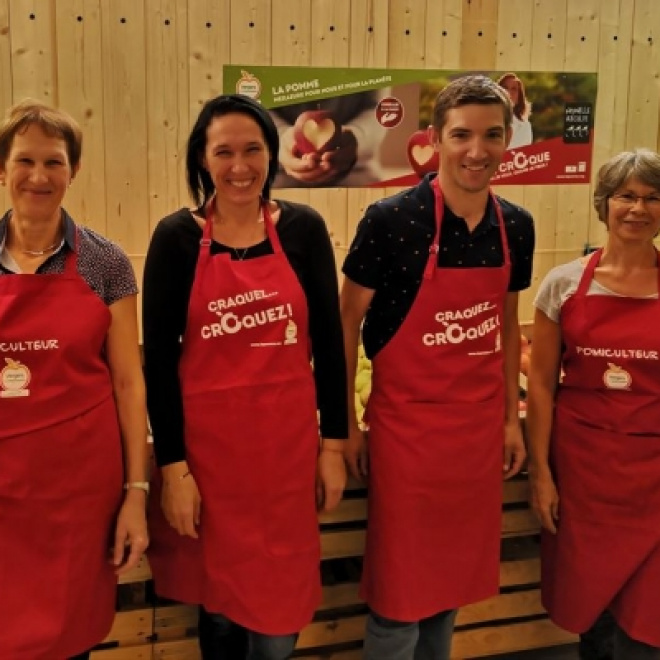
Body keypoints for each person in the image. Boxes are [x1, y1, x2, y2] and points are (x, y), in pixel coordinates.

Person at [142, 93, 348, 660]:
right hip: (209, 465)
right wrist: (174, 469)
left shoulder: (303, 229)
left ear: (272, 153)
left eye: (253, 149)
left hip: (286, 460)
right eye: (224, 151)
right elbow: (157, 361)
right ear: (202, 160)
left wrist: (334, 444)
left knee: (279, 612)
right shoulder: (176, 239)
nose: (240, 166)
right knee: (221, 608)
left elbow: (329, 344)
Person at [340, 75, 535, 659]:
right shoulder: (391, 220)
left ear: (508, 141)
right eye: (462, 135)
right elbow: (344, 323)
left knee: (449, 589)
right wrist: (345, 425)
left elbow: (504, 327)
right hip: (406, 434)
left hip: (475, 437)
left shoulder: (516, 225)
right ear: (433, 139)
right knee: (399, 599)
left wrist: (507, 420)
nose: (477, 151)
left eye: (492, 136)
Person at [0, 100, 149, 659]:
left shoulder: (105, 263)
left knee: (69, 642)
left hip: (79, 500)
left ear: (73, 171)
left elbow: (130, 385)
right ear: (3, 168)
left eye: (54, 162)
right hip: (4, 499)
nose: (39, 177)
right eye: (25, 161)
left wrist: (136, 494)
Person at [526, 149, 660, 660]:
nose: (638, 208)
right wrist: (541, 473)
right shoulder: (563, 284)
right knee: (593, 614)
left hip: (653, 482)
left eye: (652, 198)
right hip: (584, 474)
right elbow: (540, 384)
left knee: (645, 625)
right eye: (626, 195)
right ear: (605, 204)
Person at [270, 91, 385, 187]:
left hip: (358, 172)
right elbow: (255, 103)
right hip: (276, 173)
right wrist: (278, 139)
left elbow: (378, 108)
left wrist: (357, 138)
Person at [497, 73, 533, 149]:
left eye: (514, 89)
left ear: (519, 97)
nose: (508, 92)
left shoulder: (525, 127)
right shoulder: (486, 119)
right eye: (505, 87)